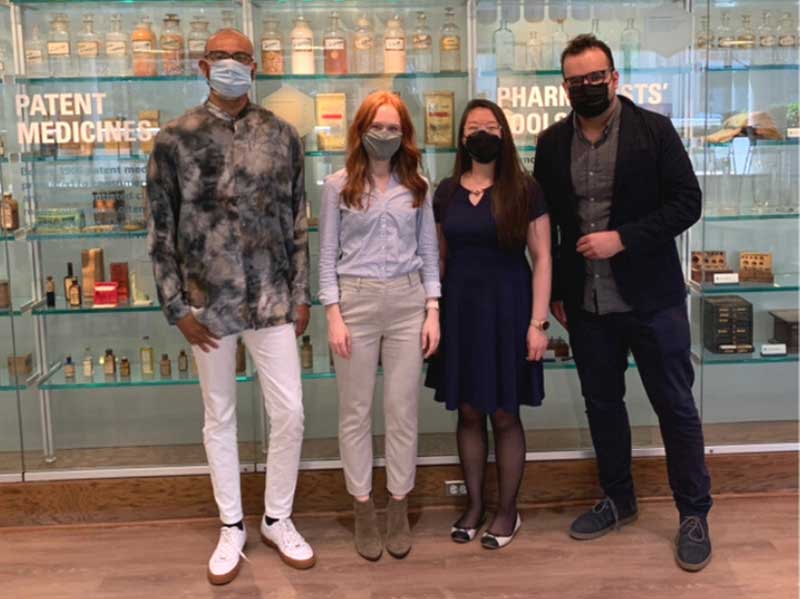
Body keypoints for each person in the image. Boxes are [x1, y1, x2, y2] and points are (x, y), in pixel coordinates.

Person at [533, 34, 712, 572]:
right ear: (564, 86)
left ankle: (694, 513)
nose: (586, 87)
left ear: (613, 78)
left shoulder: (653, 131)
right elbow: (552, 227)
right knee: (603, 406)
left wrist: (624, 238)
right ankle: (619, 499)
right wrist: (560, 291)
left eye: (596, 77)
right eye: (576, 81)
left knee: (676, 407)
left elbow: (688, 203)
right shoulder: (550, 143)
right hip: (586, 306)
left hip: (653, 299)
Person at [147, 29, 315, 585]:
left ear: (255, 66)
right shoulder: (175, 139)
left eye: (241, 57)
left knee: (289, 411)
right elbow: (160, 230)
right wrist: (176, 306)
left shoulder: (282, 135)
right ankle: (231, 524)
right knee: (218, 416)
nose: (232, 65)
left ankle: (277, 517)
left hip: (271, 299)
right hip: (207, 305)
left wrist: (300, 293)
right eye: (221, 57)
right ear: (203, 66)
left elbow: (298, 221)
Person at [318, 91, 441, 561]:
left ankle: (398, 505)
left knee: (403, 409)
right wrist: (333, 314)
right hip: (357, 302)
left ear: (405, 134)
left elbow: (429, 252)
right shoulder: (337, 186)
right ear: (360, 130)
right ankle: (363, 507)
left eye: (393, 128)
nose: (384, 136)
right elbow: (327, 255)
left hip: (409, 301)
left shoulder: (418, 186)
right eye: (377, 126)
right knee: (355, 411)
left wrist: (433, 309)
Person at [426, 99, 551, 550]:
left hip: (509, 308)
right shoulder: (445, 192)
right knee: (469, 410)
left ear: (504, 134)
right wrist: (432, 313)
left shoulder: (525, 189)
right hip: (460, 310)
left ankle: (507, 511)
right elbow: (436, 259)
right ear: (462, 137)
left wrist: (537, 324)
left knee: (504, 412)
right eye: (474, 126)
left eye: (491, 125)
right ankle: (475, 505)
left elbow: (543, 259)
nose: (483, 132)